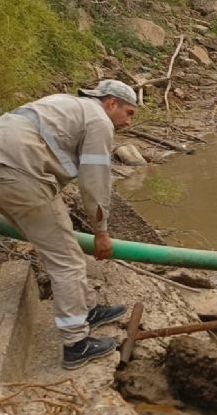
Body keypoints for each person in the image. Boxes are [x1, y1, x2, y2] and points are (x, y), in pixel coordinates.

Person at [0, 80, 137, 369]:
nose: (128, 121)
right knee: (68, 259)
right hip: (19, 173)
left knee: (55, 246)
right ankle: (76, 344)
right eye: (128, 112)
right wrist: (101, 233)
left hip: (9, 167)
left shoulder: (66, 103)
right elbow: (95, 182)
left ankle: (85, 308)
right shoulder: (100, 120)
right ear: (110, 103)